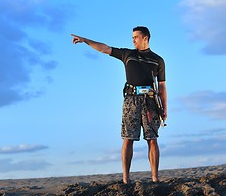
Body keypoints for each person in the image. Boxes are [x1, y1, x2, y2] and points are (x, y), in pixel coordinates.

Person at [71, 26, 167, 184]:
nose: (133, 40)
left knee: (152, 139)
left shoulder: (158, 60)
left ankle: (155, 178)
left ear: (145, 38)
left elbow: (162, 87)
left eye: (136, 37)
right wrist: (85, 40)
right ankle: (125, 179)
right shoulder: (127, 54)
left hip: (151, 102)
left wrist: (164, 108)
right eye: (132, 37)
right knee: (127, 138)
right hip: (131, 100)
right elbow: (105, 48)